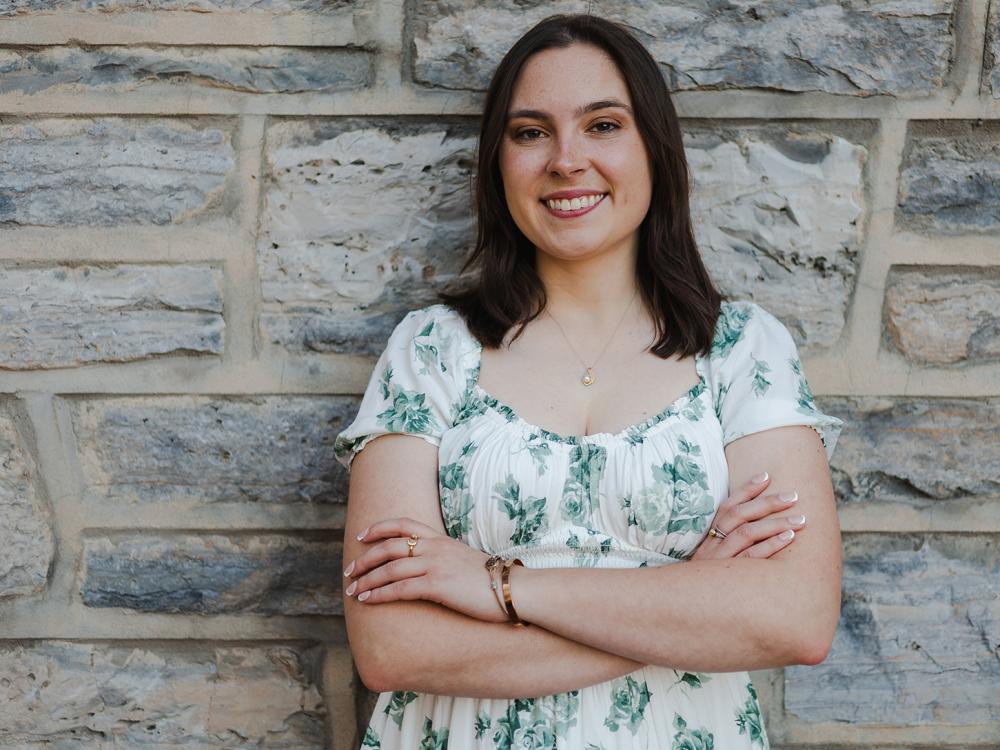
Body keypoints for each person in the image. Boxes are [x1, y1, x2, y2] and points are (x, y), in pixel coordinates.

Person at [334, 13, 844, 749]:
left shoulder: (740, 350)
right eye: (530, 132)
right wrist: (691, 603)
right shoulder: (431, 352)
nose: (566, 160)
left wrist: (499, 586)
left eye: (603, 125)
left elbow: (795, 620)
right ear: (498, 161)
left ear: (653, 148)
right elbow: (393, 649)